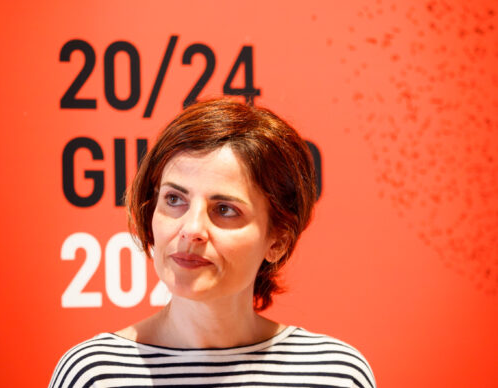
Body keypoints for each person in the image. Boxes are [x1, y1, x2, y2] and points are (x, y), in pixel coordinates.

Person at [49, 98, 376, 388]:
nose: (192, 229)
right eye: (174, 199)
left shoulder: (335, 375)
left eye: (225, 209)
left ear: (277, 240)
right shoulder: (93, 374)